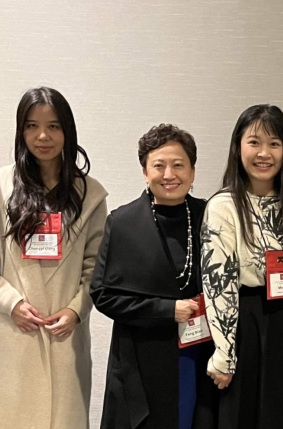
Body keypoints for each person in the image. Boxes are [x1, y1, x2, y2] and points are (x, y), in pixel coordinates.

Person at [0, 87, 108, 429]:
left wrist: (76, 310)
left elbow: (98, 266)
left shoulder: (90, 193)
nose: (42, 136)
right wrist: (11, 303)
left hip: (64, 335)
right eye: (32, 126)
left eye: (54, 126)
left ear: (68, 131)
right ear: (21, 132)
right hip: (8, 331)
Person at [92, 124, 218, 429]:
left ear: (193, 171)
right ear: (145, 172)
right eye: (158, 165)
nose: (169, 174)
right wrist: (166, 310)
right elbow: (102, 294)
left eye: (178, 165)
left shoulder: (212, 216)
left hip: (199, 354)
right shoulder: (122, 222)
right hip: (140, 358)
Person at [200, 104, 283, 429]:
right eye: (254, 142)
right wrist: (225, 354)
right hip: (244, 322)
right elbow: (218, 286)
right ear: (238, 148)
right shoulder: (223, 206)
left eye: (274, 144)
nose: (264, 153)